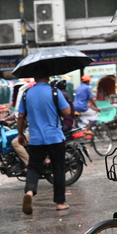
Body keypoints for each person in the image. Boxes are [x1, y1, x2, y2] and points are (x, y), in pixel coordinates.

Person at [18, 70, 71, 214]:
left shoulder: (26, 93)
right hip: (55, 137)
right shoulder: (54, 92)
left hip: (36, 138)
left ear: (34, 77)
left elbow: (21, 116)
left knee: (34, 167)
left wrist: (20, 134)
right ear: (48, 77)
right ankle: (60, 203)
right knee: (58, 168)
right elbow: (67, 112)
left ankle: (29, 192)